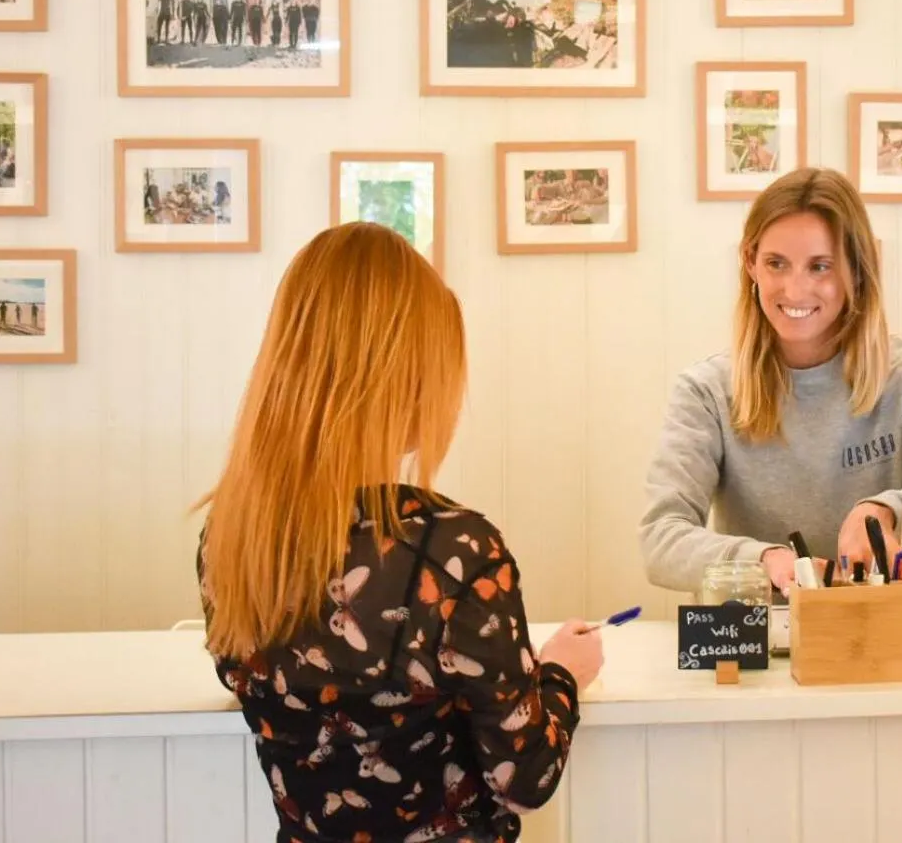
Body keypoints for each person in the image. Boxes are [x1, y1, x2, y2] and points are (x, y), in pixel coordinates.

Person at [195, 222, 603, 843]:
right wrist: (561, 675)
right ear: (398, 380)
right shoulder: (455, 549)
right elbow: (524, 778)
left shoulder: (231, 534)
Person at [638, 167, 902, 597]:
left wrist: (886, 509)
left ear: (857, 270)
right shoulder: (706, 391)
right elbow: (661, 540)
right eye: (776, 264)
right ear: (750, 262)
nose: (795, 288)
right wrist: (763, 561)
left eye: (820, 266)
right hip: (763, 644)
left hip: (901, 643)